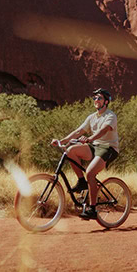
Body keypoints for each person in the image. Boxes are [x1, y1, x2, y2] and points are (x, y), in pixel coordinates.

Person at [52, 88, 119, 220]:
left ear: (106, 102)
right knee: (70, 150)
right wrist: (62, 141)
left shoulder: (110, 116)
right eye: (94, 98)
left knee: (90, 172)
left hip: (108, 148)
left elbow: (104, 130)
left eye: (99, 98)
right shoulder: (92, 117)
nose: (95, 100)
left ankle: (92, 209)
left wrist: (90, 138)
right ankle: (82, 182)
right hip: (94, 146)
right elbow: (78, 132)